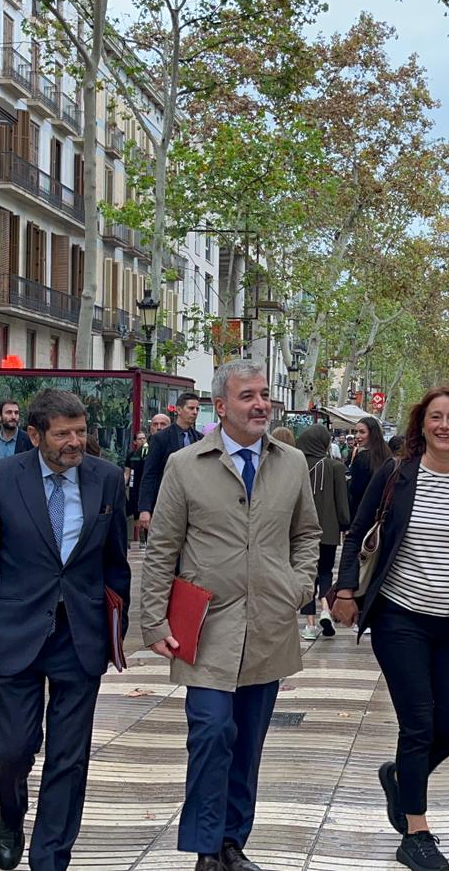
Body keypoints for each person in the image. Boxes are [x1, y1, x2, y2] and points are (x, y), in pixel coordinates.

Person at [139, 360, 319, 871]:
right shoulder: (186, 465)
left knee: (248, 741)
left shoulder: (290, 464)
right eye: (248, 396)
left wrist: (299, 585)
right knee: (212, 731)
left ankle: (232, 843)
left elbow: (307, 534)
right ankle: (204, 847)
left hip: (269, 624)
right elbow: (162, 548)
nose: (261, 404)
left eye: (264, 395)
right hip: (208, 626)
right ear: (221, 407)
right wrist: (154, 622)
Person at [0, 389, 132, 871]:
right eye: (63, 434)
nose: (75, 442)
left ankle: (50, 857)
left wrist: (117, 626)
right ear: (34, 435)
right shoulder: (0, 478)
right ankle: (10, 814)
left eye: (81, 431)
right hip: (12, 637)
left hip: (81, 638)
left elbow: (117, 564)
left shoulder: (108, 479)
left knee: (69, 758)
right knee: (11, 750)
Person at [332, 386, 449, 871]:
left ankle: (400, 778)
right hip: (399, 618)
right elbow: (357, 534)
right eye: (435, 417)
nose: (444, 425)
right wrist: (345, 591)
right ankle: (417, 832)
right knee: (419, 723)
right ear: (421, 425)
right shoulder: (396, 474)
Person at [296, 424, 350, 641]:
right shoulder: (335, 467)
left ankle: (309, 624)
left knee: (307, 576)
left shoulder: (296, 465)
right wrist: (346, 524)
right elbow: (342, 503)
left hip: (301, 531)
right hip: (328, 530)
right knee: (326, 571)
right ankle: (326, 609)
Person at [137, 393, 202, 535]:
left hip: (192, 505)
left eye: (197, 409)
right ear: (178, 410)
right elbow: (150, 473)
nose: (195, 412)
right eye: (191, 408)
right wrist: (145, 509)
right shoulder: (161, 439)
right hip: (165, 502)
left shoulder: (199, 439)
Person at [347, 416, 394, 516]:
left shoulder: (362, 458)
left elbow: (355, 490)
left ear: (373, 433)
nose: (357, 436)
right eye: (356, 432)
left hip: (363, 513)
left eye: (362, 432)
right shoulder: (388, 455)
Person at [124, 431, 150, 544]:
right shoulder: (131, 455)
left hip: (146, 487)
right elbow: (127, 473)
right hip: (134, 488)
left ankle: (144, 539)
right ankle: (134, 538)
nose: (142, 440)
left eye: (144, 438)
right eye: (139, 439)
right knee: (134, 513)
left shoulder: (149, 454)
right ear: (135, 441)